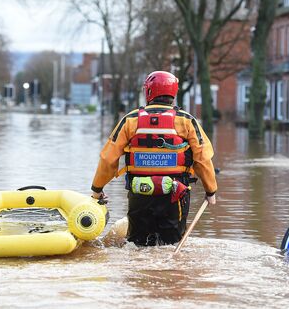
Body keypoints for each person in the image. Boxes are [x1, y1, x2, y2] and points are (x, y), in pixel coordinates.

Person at [90, 71, 217, 246]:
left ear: (148, 92)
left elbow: (108, 159)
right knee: (170, 244)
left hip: (139, 192)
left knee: (137, 245)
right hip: (175, 193)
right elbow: (203, 159)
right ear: (174, 92)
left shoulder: (130, 120)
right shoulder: (186, 121)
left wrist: (97, 189)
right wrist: (211, 191)